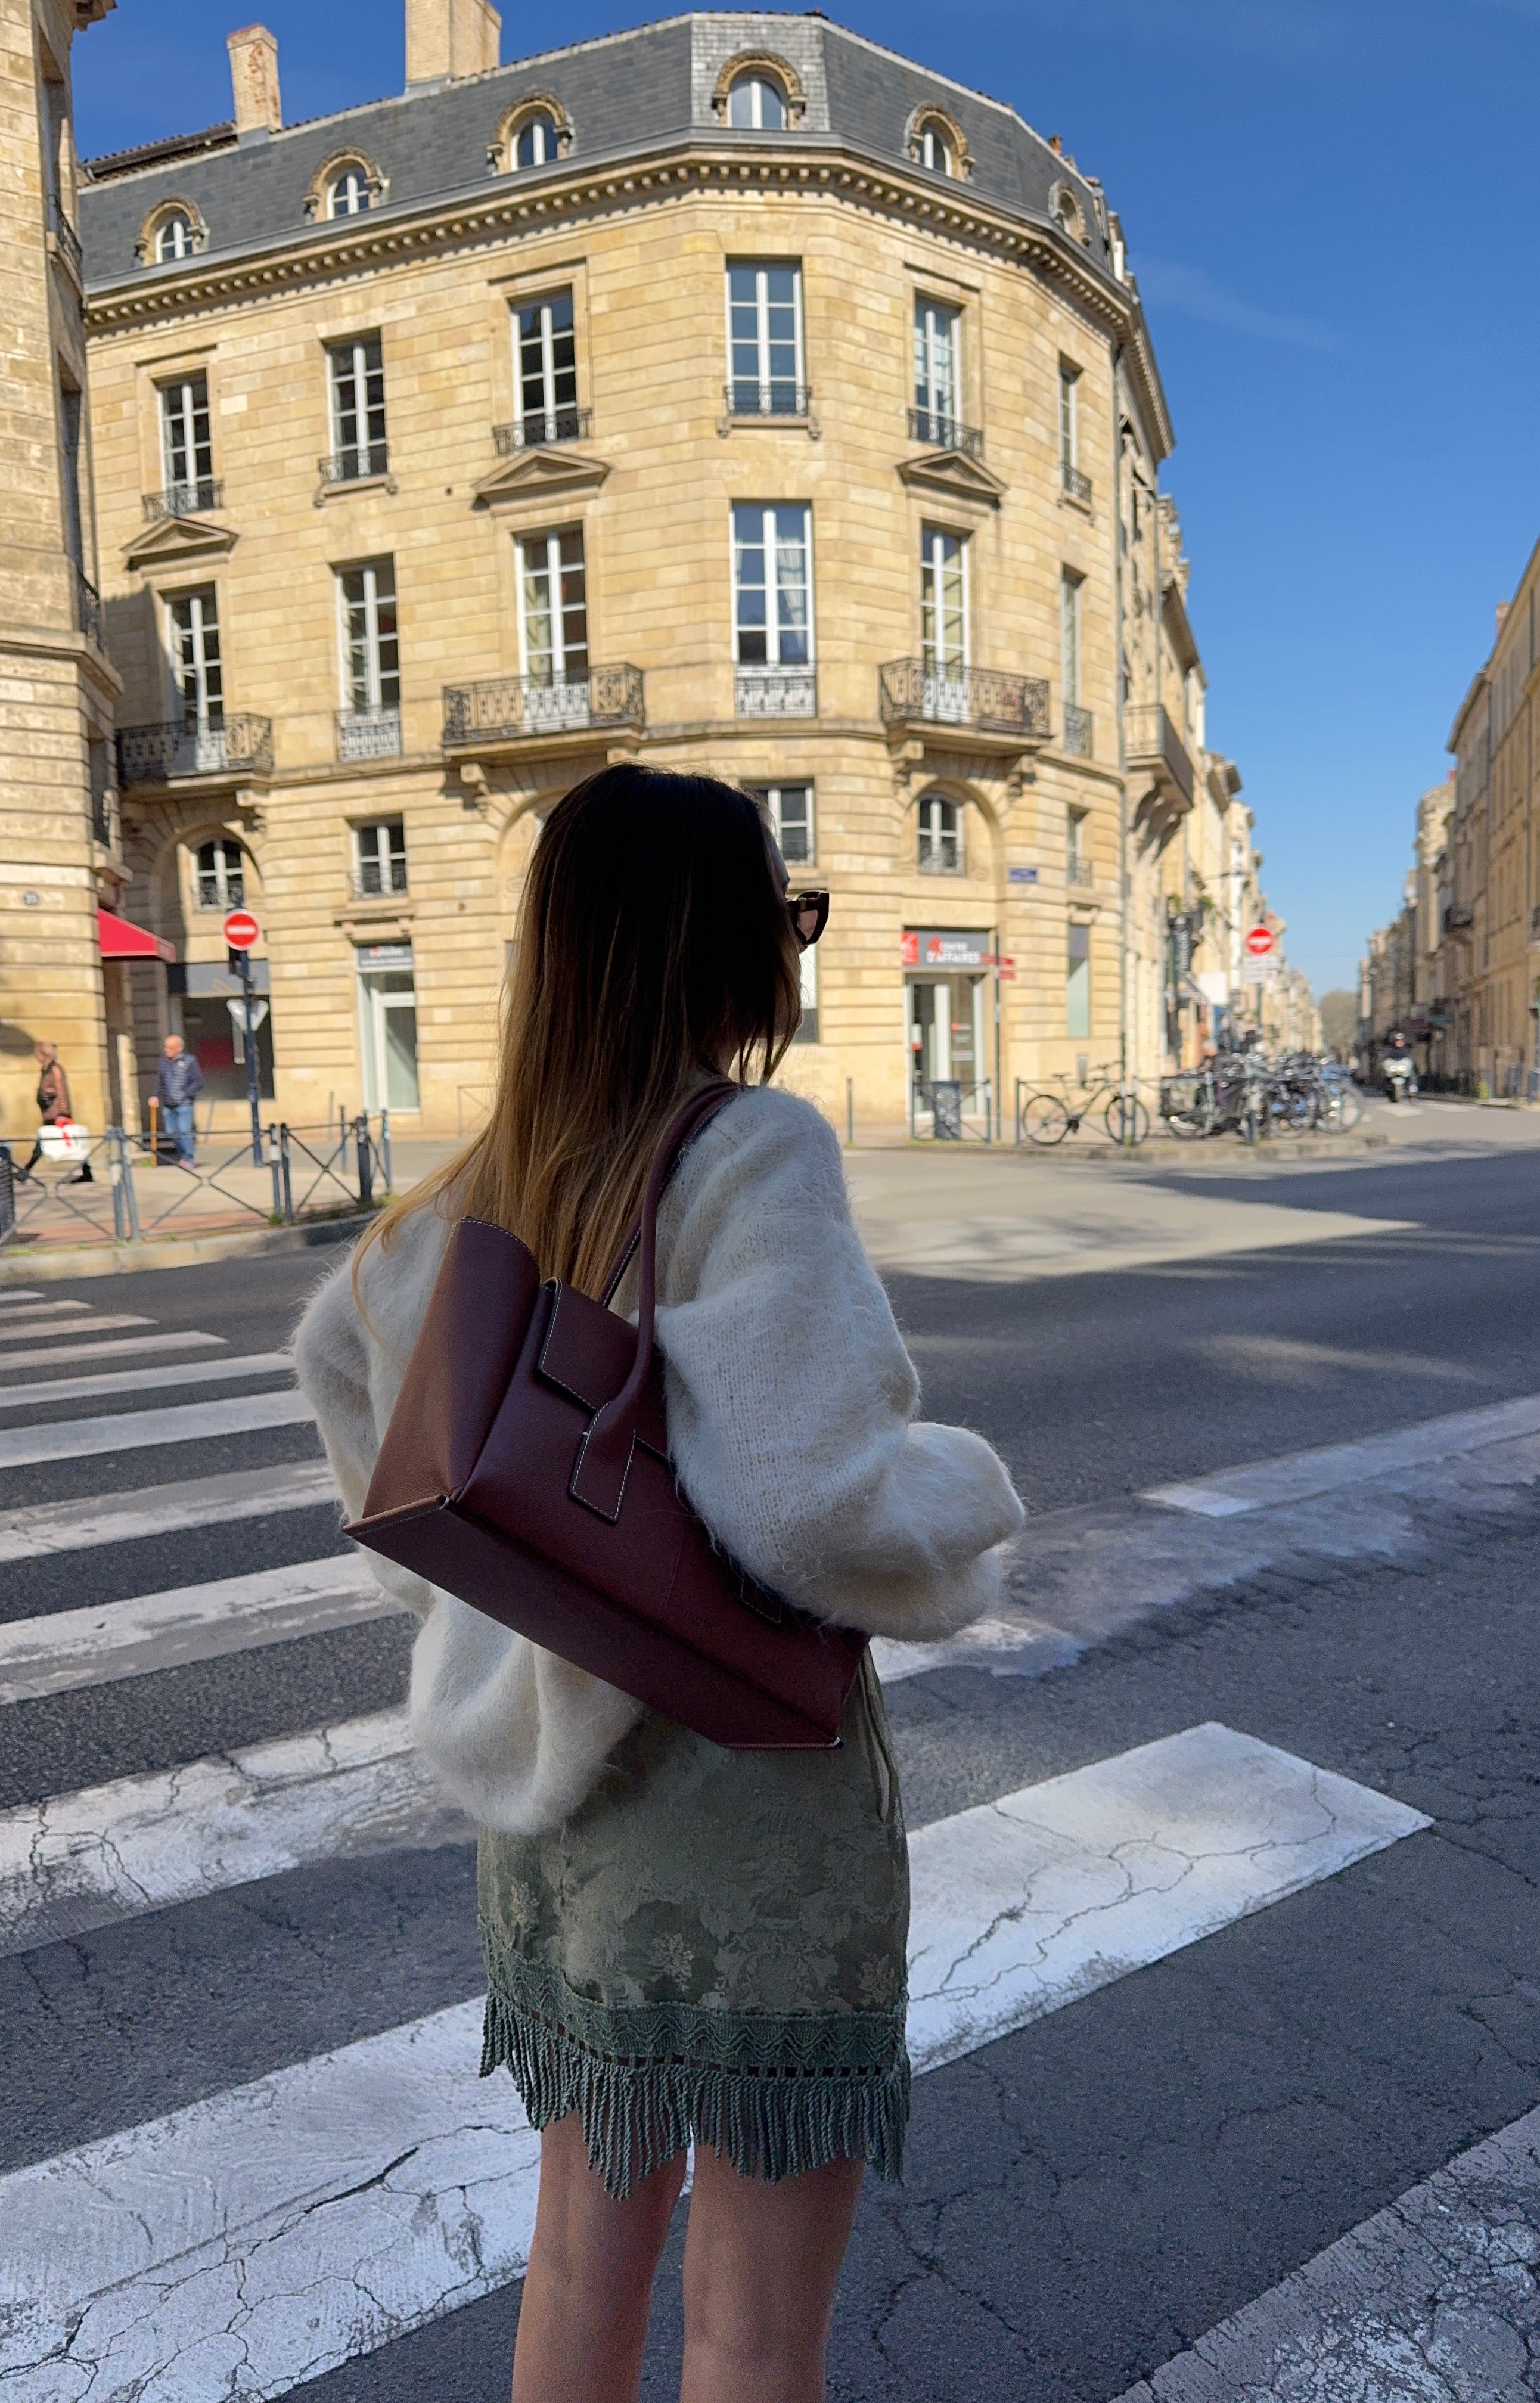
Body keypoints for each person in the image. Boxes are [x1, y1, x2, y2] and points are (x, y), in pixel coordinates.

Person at [294, 766, 1024, 2403]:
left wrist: (510, 1607)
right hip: (741, 1799)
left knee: (575, 2261)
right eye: (788, 917)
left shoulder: (463, 1197)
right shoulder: (748, 1148)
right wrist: (970, 1498)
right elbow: (815, 1507)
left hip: (555, 1819)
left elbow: (351, 1391)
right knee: (753, 2326)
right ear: (728, 945)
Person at [18, 1040, 91, 1182]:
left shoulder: (55, 1069)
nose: (36, 1056)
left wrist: (63, 1113)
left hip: (56, 1114)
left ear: (43, 1054)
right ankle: (87, 1172)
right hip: (50, 1113)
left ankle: (25, 1172)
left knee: (42, 1143)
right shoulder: (47, 1069)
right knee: (47, 1142)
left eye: (37, 1053)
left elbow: (62, 1091)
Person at [154, 1032, 203, 1163]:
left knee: (184, 1131)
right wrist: (155, 1095)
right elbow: (160, 1081)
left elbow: (198, 1082)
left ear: (179, 1048)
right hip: (168, 1104)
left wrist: (185, 1095)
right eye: (166, 1047)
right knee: (172, 1132)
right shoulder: (163, 1062)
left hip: (184, 1104)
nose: (167, 1050)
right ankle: (182, 1156)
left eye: (170, 1048)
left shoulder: (189, 1061)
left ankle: (189, 1158)